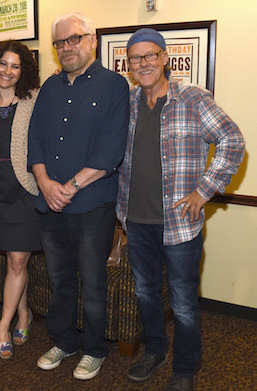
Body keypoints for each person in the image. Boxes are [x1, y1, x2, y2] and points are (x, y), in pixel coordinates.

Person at [117, 29, 245, 391]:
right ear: (129, 65)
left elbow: (232, 139)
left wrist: (203, 191)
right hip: (136, 221)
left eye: (149, 56)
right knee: (145, 294)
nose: (143, 64)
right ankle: (155, 350)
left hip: (180, 225)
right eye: (135, 58)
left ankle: (185, 367)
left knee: (184, 302)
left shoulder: (192, 98)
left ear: (164, 58)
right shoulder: (126, 102)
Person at [28, 12, 129, 380]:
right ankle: (65, 341)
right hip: (50, 205)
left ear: (93, 39)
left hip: (91, 205)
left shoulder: (115, 86)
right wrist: (45, 183)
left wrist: (67, 188)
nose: (67, 47)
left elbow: (110, 151)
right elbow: (35, 140)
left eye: (74, 39)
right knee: (59, 280)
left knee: (92, 280)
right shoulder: (50, 88)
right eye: (60, 42)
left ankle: (94, 349)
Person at [0, 41, 41, 359]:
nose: (7, 70)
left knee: (17, 261)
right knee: (16, 261)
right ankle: (23, 313)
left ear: (23, 71)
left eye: (15, 65)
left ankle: (2, 326)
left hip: (25, 192)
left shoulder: (33, 102)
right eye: (3, 63)